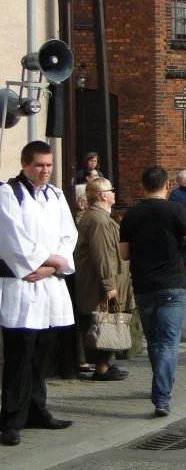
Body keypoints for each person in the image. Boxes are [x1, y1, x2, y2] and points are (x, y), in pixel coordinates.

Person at [0, 142, 77, 446]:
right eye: (39, 166)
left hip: (47, 283)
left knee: (41, 353)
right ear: (24, 165)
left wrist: (52, 266)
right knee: (20, 353)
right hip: (21, 285)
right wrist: (47, 262)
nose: (45, 171)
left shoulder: (56, 196)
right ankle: (10, 419)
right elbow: (12, 239)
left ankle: (36, 410)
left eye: (48, 165)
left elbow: (68, 235)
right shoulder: (9, 194)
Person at [119, 165, 186, 417]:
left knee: (155, 341)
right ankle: (162, 396)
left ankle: (161, 386)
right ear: (167, 186)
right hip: (171, 284)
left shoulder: (131, 214)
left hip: (143, 285)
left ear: (142, 186)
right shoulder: (176, 210)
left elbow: (123, 254)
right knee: (169, 342)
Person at [73, 177, 133, 382]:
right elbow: (103, 253)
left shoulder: (99, 217)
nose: (115, 193)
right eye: (112, 190)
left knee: (103, 321)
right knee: (102, 322)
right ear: (103, 195)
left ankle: (105, 364)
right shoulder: (98, 220)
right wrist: (109, 284)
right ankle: (101, 367)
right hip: (98, 283)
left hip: (101, 281)